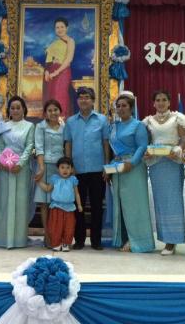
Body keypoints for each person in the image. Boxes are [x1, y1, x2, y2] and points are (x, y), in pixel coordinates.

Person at [143, 90, 185, 255]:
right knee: (160, 202)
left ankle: (172, 241)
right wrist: (146, 152)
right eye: (158, 100)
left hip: (172, 162)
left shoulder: (178, 118)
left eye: (164, 100)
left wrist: (178, 149)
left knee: (173, 201)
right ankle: (165, 239)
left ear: (169, 102)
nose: (161, 103)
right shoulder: (148, 121)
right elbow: (145, 142)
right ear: (153, 103)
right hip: (156, 164)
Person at [64, 86, 110, 250]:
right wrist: (69, 166)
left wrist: (106, 166)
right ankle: (79, 240)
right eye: (81, 97)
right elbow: (68, 144)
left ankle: (96, 241)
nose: (83, 100)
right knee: (78, 206)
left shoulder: (102, 120)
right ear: (77, 101)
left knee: (97, 206)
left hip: (98, 170)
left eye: (87, 97)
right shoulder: (70, 121)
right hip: (77, 171)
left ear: (93, 100)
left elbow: (105, 143)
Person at [110, 93, 155, 253]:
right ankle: (123, 238)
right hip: (118, 167)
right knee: (120, 204)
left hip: (134, 168)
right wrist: (109, 168)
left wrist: (133, 162)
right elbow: (114, 150)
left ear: (131, 108)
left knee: (135, 204)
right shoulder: (114, 127)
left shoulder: (138, 125)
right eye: (118, 106)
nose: (121, 108)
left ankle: (138, 241)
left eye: (124, 105)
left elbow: (142, 146)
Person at [0, 96, 35, 249]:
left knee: (21, 202)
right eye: (13, 108)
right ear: (9, 110)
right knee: (4, 202)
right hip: (5, 169)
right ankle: (2, 239)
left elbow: (30, 146)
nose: (16, 110)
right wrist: (0, 161)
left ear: (24, 109)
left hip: (21, 170)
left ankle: (19, 239)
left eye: (18, 107)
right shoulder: (3, 126)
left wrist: (20, 163)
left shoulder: (29, 126)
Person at [34, 99, 65, 247]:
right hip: (45, 166)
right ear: (45, 113)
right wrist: (41, 167)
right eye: (50, 110)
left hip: (61, 169)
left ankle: (57, 234)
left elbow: (67, 146)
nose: (53, 113)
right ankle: (47, 234)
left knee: (58, 203)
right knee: (45, 203)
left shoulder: (64, 127)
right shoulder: (40, 127)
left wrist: (68, 167)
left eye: (55, 110)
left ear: (60, 111)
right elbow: (39, 147)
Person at [36, 156, 82, 252]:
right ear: (58, 169)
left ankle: (66, 243)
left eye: (68, 168)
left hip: (69, 208)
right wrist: (39, 182)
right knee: (55, 227)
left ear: (71, 169)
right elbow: (47, 188)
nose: (65, 170)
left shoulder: (73, 180)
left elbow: (77, 193)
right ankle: (56, 243)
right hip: (56, 207)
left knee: (69, 227)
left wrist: (79, 205)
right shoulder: (55, 179)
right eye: (62, 167)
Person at [44, 17, 75, 118]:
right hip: (51, 74)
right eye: (57, 27)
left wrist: (56, 72)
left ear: (67, 28)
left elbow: (69, 59)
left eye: (62, 27)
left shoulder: (70, 41)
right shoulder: (54, 43)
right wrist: (47, 72)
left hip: (63, 72)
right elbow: (48, 59)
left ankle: (62, 121)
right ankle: (52, 122)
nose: (60, 29)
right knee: (51, 97)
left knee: (60, 95)